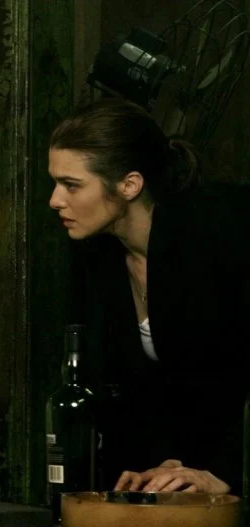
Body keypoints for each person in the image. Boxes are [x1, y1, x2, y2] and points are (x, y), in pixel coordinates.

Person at [47, 98, 250, 496]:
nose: (55, 200)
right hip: (186, 482)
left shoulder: (219, 235)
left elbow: (231, 379)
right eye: (55, 183)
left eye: (72, 185)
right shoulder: (98, 258)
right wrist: (162, 464)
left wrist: (225, 471)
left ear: (130, 185)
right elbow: (146, 394)